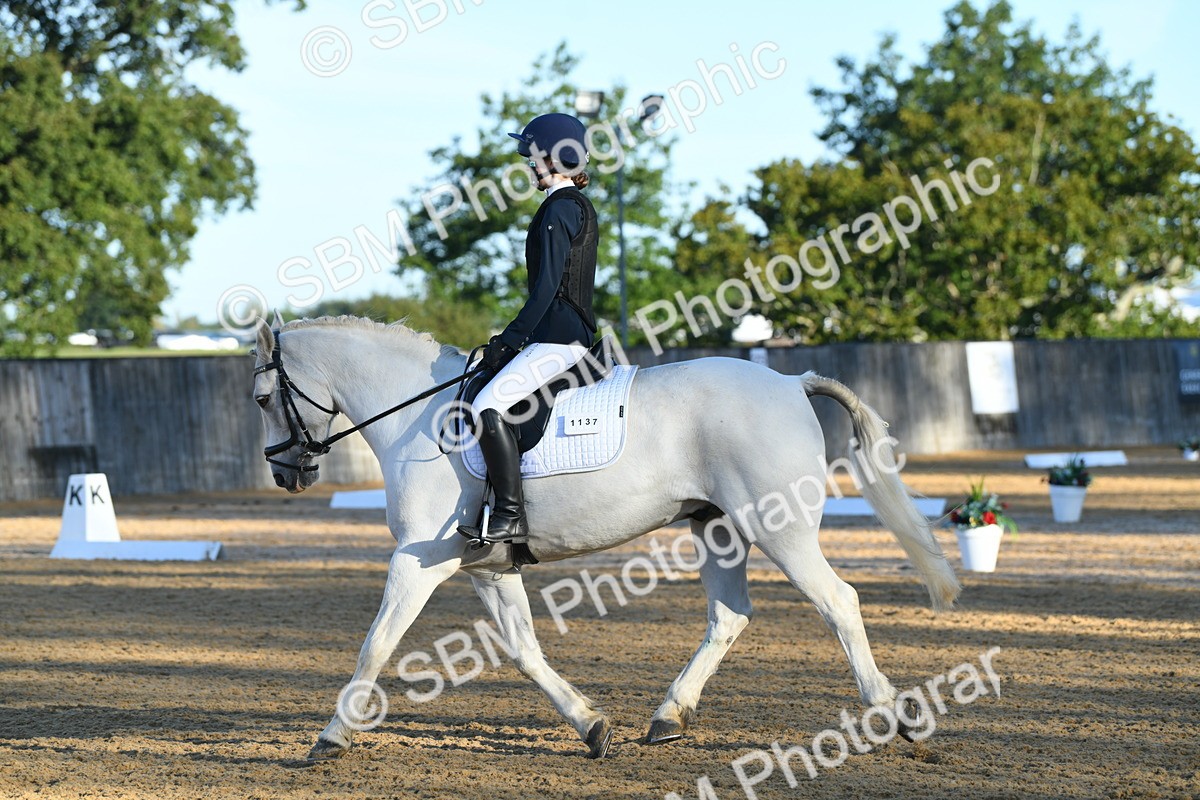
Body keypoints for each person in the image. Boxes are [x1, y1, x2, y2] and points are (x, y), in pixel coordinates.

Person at [458, 113, 599, 545]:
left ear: (557, 159)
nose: (529, 165)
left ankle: (509, 514)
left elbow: (546, 289)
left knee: (487, 406)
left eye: (534, 157)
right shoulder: (570, 205)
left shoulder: (559, 208)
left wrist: (510, 339)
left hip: (558, 336)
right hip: (560, 333)